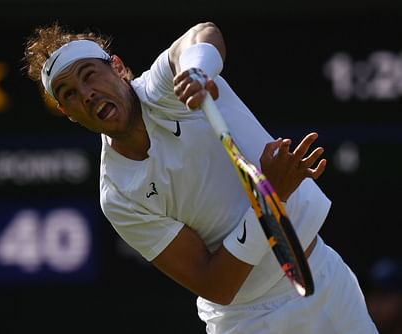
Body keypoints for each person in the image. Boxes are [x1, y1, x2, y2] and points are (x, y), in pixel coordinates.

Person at [23, 21, 378, 333]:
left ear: (118, 68)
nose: (86, 94)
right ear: (68, 113)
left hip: (326, 279)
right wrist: (272, 197)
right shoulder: (118, 195)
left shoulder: (165, 88)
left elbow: (203, 34)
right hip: (247, 322)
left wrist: (197, 70)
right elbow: (216, 283)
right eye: (69, 93)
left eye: (89, 75)